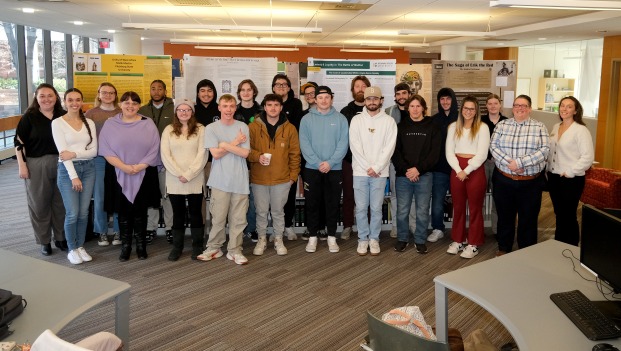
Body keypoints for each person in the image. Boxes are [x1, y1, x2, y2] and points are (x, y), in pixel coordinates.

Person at [99, 91, 162, 262]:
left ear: (139, 105)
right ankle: (126, 246)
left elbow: (155, 148)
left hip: (143, 172)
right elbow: (105, 149)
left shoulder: (148, 123)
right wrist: (124, 167)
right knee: (124, 211)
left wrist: (139, 166)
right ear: (120, 104)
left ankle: (141, 245)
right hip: (118, 172)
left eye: (134, 103)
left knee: (141, 210)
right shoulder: (110, 124)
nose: (130, 106)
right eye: (126, 102)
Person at [490, 94, 549, 255]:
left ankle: (526, 252)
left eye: (524, 105)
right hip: (504, 180)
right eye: (517, 105)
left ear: (529, 109)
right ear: (512, 108)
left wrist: (521, 163)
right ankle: (504, 248)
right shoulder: (502, 125)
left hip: (530, 183)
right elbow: (493, 147)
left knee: (528, 219)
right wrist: (512, 163)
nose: (520, 108)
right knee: (505, 217)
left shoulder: (539, 127)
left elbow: (544, 151)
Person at [197, 94, 251, 265]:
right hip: (220, 180)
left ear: (235, 108)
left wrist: (225, 144)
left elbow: (245, 153)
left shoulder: (243, 126)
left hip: (240, 180)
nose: (228, 109)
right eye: (225, 106)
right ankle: (214, 248)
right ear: (219, 108)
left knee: (238, 219)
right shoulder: (211, 128)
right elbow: (215, 154)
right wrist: (235, 142)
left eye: (231, 106)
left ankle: (235, 250)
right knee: (218, 217)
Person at [14, 83, 67, 256]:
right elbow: (19, 143)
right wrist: (22, 166)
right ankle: (44, 241)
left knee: (61, 203)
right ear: (36, 98)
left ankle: (60, 237)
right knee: (39, 203)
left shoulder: (63, 115)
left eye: (50, 95)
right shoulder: (29, 117)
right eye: (42, 96)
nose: (46, 99)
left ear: (56, 97)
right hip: (36, 164)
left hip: (62, 162)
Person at [248, 93, 301, 256]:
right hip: (259, 179)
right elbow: (246, 151)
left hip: (282, 179)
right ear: (264, 107)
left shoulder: (290, 128)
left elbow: (295, 154)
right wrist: (258, 157)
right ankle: (262, 239)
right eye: (269, 105)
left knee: (278, 212)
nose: (273, 108)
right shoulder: (253, 127)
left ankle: (278, 238)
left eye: (276, 105)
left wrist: (292, 177)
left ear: (281, 107)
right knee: (261, 211)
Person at [299, 86, 349, 253]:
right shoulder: (306, 119)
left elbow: (343, 144)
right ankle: (312, 237)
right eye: (320, 98)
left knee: (332, 204)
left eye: (327, 97)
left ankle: (332, 237)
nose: (324, 100)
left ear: (331, 99)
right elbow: (304, 144)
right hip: (312, 169)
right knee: (312, 204)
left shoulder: (341, 119)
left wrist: (331, 162)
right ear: (315, 100)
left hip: (334, 169)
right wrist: (318, 162)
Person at [52, 88, 98, 265]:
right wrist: (73, 177)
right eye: (70, 100)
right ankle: (71, 248)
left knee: (84, 213)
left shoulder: (90, 122)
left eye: (78, 100)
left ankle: (80, 246)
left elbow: (94, 151)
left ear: (82, 102)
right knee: (72, 213)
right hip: (67, 171)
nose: (74, 103)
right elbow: (63, 155)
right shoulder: (58, 123)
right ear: (64, 102)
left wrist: (74, 154)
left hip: (89, 168)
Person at [349, 86, 397, 256]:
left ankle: (374, 239)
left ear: (381, 100)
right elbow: (355, 146)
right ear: (365, 101)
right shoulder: (356, 120)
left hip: (380, 173)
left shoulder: (389, 121)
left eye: (375, 99)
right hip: (360, 172)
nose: (372, 102)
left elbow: (389, 148)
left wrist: (376, 167)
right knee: (361, 208)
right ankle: (363, 239)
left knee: (376, 208)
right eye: (369, 99)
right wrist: (367, 167)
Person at [392, 95, 441, 254]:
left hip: (424, 175)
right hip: (403, 176)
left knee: (422, 210)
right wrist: (408, 170)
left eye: (418, 106)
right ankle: (402, 239)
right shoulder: (400, 127)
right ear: (408, 109)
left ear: (423, 108)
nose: (415, 109)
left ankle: (420, 240)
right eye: (411, 106)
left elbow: (434, 154)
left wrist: (418, 169)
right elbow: (395, 152)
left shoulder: (432, 126)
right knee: (402, 210)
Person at [160, 99, 208, 261]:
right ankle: (177, 247)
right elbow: (165, 155)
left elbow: (203, 154)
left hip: (194, 178)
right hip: (174, 179)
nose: (184, 112)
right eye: (180, 110)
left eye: (187, 110)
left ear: (192, 112)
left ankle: (197, 246)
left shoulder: (201, 129)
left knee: (195, 213)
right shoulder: (168, 130)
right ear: (176, 112)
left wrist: (188, 174)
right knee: (178, 214)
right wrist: (178, 173)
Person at [445, 95, 490, 259]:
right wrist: (458, 170)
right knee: (458, 206)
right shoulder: (452, 127)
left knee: (475, 207)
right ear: (461, 109)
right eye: (466, 108)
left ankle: (473, 243)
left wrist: (467, 170)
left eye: (472, 109)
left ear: (476, 110)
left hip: (475, 169)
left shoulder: (482, 127)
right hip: (456, 169)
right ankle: (458, 239)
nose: (468, 111)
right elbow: (449, 152)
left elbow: (482, 154)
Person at [547, 96, 594, 246]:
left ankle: (572, 245)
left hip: (571, 179)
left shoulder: (581, 130)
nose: (564, 109)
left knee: (568, 214)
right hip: (554, 177)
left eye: (569, 106)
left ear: (575, 110)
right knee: (559, 213)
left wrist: (571, 172)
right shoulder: (556, 126)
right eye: (562, 105)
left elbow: (588, 157)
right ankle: (559, 243)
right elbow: (551, 151)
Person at [85, 82, 122, 247]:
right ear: (98, 94)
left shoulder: (121, 112)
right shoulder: (90, 114)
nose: (108, 95)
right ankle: (101, 232)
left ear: (115, 95)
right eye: (104, 92)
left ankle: (118, 231)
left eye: (111, 93)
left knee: (118, 195)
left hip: (120, 160)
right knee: (100, 197)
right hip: (99, 160)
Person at [139, 80, 175, 244]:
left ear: (165, 91)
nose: (156, 91)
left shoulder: (174, 109)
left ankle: (170, 227)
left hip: (168, 159)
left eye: (160, 88)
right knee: (151, 195)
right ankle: (150, 227)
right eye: (153, 88)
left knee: (167, 194)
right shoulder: (142, 110)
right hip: (148, 159)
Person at [272, 74, 303, 241]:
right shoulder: (269, 103)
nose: (281, 87)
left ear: (289, 88)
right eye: (278, 84)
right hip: (272, 157)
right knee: (273, 195)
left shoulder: (296, 104)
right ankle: (277, 228)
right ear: (273, 88)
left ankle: (288, 226)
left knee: (289, 192)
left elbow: (295, 129)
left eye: (284, 84)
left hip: (289, 154)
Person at [339, 75, 370, 240]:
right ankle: (348, 225)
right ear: (353, 90)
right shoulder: (345, 111)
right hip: (349, 161)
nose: (360, 89)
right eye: (357, 86)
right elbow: (343, 138)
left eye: (363, 86)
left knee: (369, 195)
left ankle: (369, 226)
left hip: (370, 162)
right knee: (349, 194)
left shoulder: (374, 109)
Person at [385, 82, 417, 239]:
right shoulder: (388, 112)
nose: (401, 97)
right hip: (394, 161)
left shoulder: (417, 110)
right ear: (395, 97)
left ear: (409, 95)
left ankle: (413, 225)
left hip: (414, 163)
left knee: (413, 196)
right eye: (398, 94)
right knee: (396, 195)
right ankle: (396, 226)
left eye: (404, 93)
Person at [428, 87, 459, 243]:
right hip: (439, 168)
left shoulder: (462, 118)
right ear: (439, 102)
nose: (445, 102)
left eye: (448, 99)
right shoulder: (434, 120)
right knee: (438, 201)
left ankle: (459, 230)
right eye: (442, 99)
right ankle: (438, 228)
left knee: (459, 201)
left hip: (459, 168)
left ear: (453, 100)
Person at [235, 79, 261, 242]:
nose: (246, 93)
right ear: (239, 93)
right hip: (237, 160)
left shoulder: (262, 111)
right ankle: (238, 229)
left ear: (254, 92)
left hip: (256, 161)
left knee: (254, 199)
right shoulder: (233, 111)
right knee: (238, 199)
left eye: (249, 89)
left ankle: (252, 229)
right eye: (242, 90)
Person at [480, 94, 507, 237]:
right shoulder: (480, 121)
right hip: (482, 164)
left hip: (500, 165)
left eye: (495, 103)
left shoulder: (507, 122)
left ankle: (497, 230)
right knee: (479, 197)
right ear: (486, 105)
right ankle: (479, 230)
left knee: (498, 198)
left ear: (500, 105)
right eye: (490, 103)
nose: (493, 106)